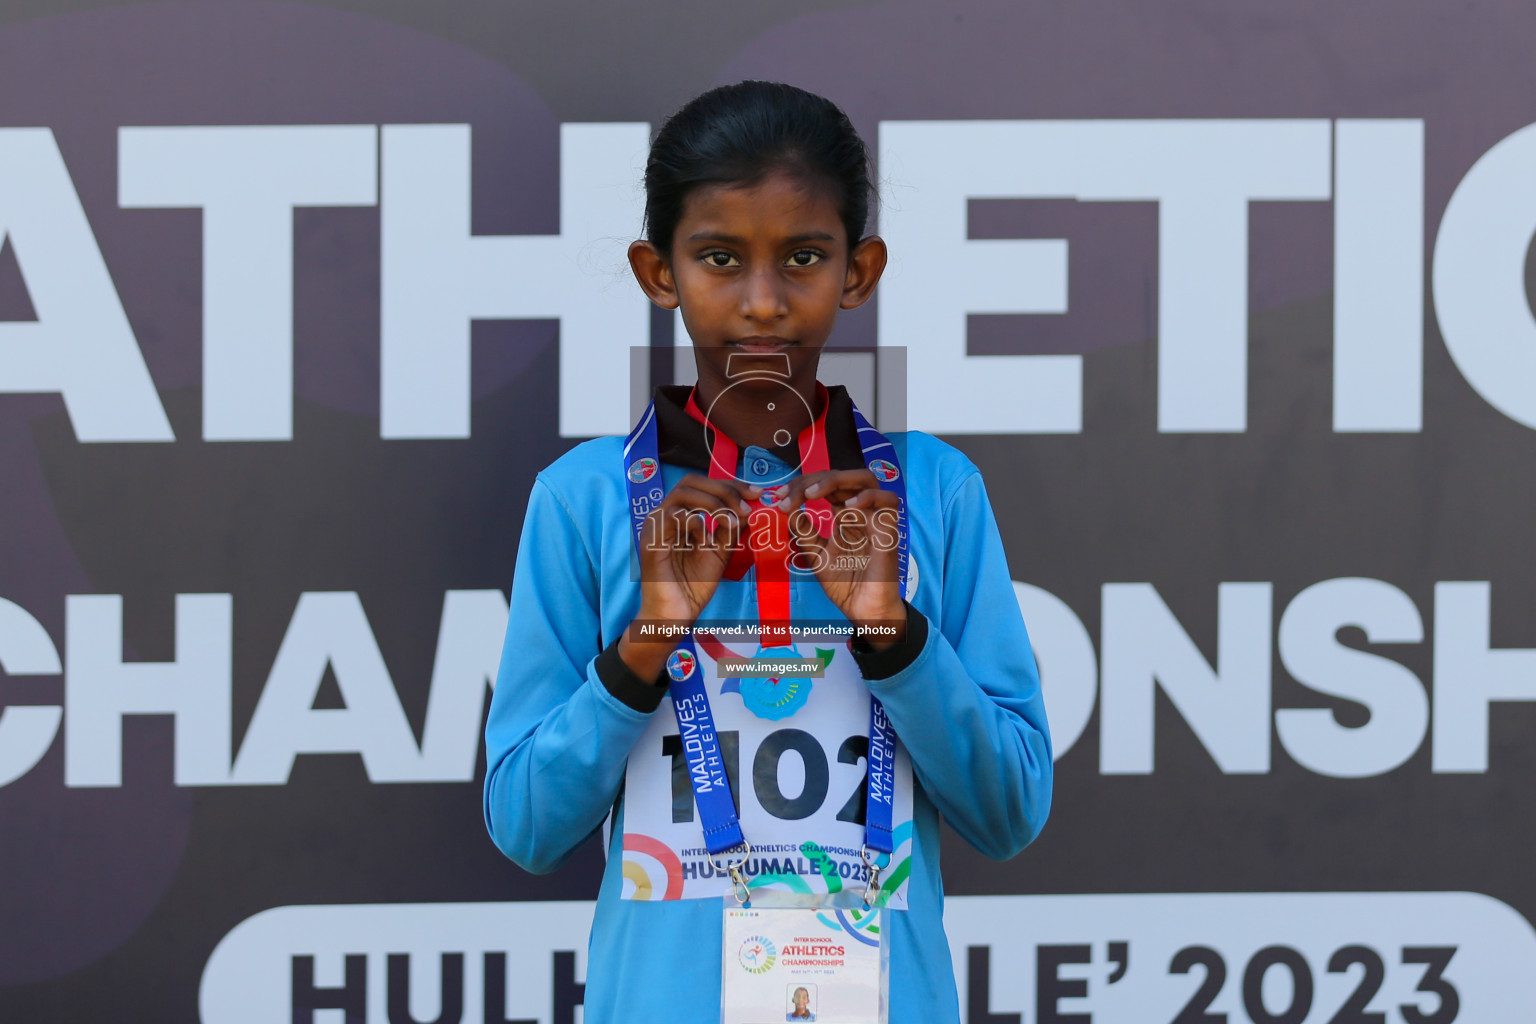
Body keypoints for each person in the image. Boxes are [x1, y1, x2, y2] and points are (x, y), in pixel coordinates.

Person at [483, 80, 1052, 1023]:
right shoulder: (586, 501)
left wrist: (894, 633)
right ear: (657, 272)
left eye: (802, 257)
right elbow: (528, 827)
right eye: (718, 257)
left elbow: (1009, 813)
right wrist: (646, 643)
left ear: (858, 271)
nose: (761, 302)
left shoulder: (933, 494)